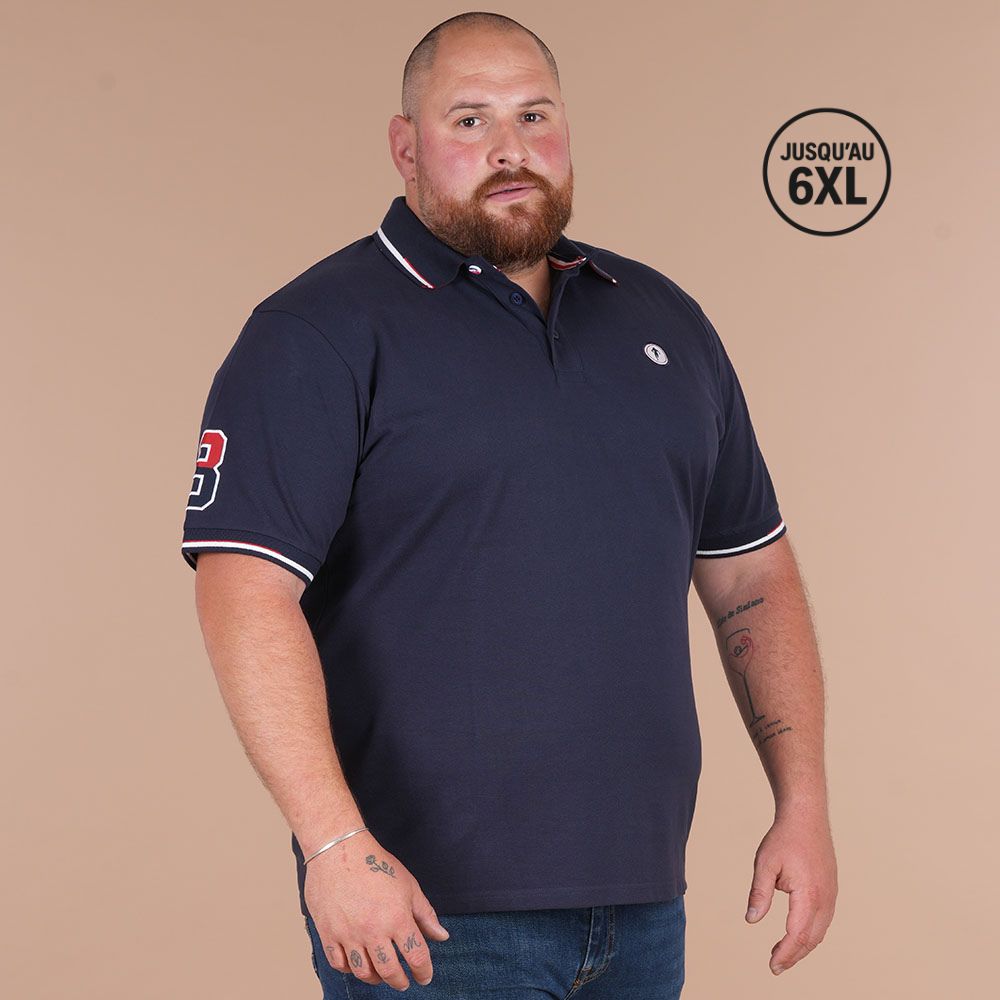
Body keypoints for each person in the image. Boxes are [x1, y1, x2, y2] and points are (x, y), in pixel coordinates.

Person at [180, 11, 837, 998]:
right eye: (469, 119)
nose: (509, 148)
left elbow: (751, 573)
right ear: (405, 146)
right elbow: (243, 592)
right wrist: (332, 842)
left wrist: (803, 802)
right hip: (426, 916)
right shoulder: (315, 332)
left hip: (642, 906)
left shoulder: (665, 320)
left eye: (534, 115)